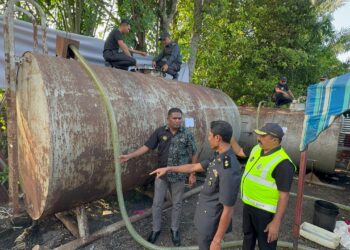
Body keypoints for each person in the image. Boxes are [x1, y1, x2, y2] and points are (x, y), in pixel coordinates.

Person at [151, 120, 241, 250]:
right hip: (206, 218)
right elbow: (194, 166)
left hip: (212, 222)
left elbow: (228, 208)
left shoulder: (229, 167)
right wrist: (169, 168)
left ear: (218, 138)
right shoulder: (218, 156)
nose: (208, 139)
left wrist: (217, 240)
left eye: (210, 135)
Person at [120, 108, 198, 246]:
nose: (178, 121)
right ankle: (155, 230)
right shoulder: (160, 132)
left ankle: (174, 230)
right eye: (175, 118)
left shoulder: (187, 134)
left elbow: (194, 152)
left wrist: (192, 173)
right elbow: (147, 147)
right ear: (168, 119)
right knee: (157, 204)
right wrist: (130, 156)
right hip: (161, 175)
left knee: (177, 203)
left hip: (179, 176)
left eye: (180, 118)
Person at [230, 123, 295, 250]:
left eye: (263, 136)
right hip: (249, 205)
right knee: (248, 237)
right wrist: (231, 137)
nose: (258, 138)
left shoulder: (283, 163)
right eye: (259, 135)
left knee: (266, 245)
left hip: (265, 212)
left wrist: (276, 222)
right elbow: (239, 151)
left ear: (275, 140)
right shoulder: (257, 149)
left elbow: (284, 195)